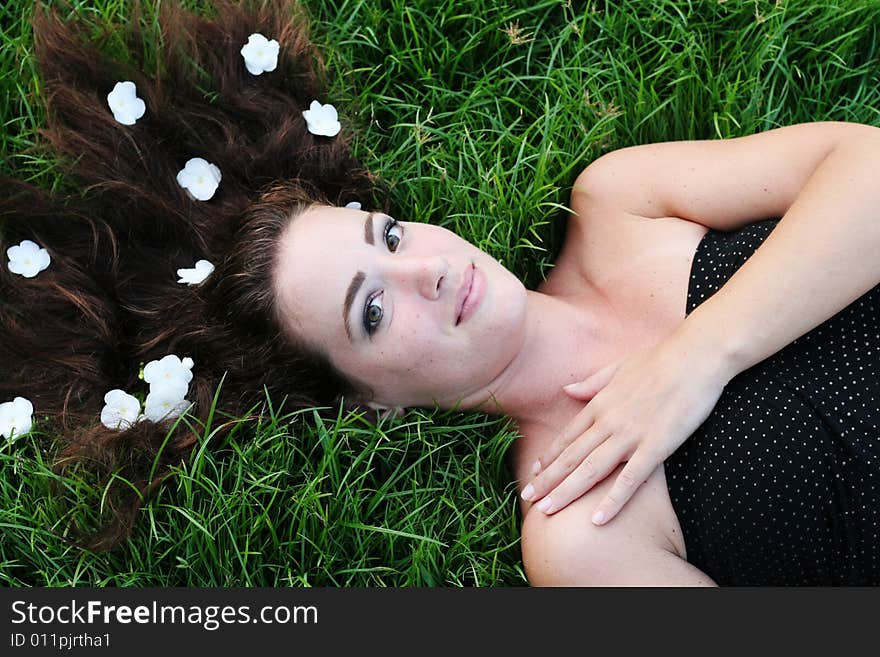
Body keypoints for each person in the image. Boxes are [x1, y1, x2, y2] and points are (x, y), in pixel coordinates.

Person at [2, 0, 878, 586]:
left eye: (386, 237)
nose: (424, 271)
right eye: (372, 313)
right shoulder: (578, 535)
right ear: (373, 401)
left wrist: (697, 357)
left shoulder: (618, 204)